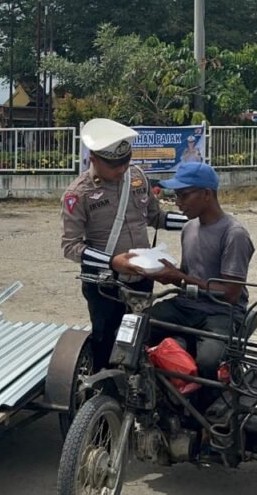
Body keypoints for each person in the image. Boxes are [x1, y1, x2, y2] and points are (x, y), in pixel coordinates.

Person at [62, 118, 188, 367]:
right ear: (93, 159)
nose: (121, 169)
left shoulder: (137, 177)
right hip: (105, 284)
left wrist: (194, 221)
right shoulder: (78, 193)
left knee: (141, 337)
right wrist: (112, 262)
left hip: (141, 278)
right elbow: (71, 246)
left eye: (125, 161)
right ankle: (105, 385)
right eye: (113, 165)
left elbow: (156, 217)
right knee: (106, 341)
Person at [112, 161, 255, 381]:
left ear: (206, 194)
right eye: (176, 196)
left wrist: (180, 277)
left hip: (220, 312)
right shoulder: (189, 228)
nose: (178, 203)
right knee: (128, 333)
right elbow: (188, 278)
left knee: (208, 362)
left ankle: (206, 401)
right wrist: (168, 275)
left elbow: (230, 294)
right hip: (186, 305)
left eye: (183, 195)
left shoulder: (234, 234)